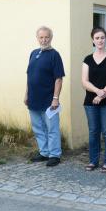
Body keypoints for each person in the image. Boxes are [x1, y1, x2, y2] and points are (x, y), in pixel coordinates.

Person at [81, 27, 106, 172]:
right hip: (91, 102)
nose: (100, 40)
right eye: (97, 38)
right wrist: (97, 92)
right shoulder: (87, 60)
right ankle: (93, 161)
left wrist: (102, 94)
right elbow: (84, 81)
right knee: (93, 131)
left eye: (102, 37)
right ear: (93, 40)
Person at [25, 26, 65, 167]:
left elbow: (58, 78)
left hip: (49, 100)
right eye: (41, 37)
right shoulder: (33, 53)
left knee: (52, 128)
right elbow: (29, 76)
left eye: (46, 37)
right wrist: (26, 94)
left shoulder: (55, 55)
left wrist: (55, 98)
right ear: (37, 38)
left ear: (51, 38)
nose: (44, 40)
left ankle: (54, 155)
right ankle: (44, 152)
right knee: (38, 127)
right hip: (33, 98)